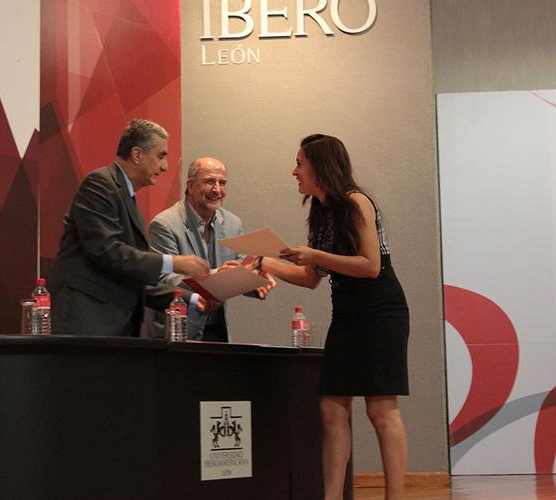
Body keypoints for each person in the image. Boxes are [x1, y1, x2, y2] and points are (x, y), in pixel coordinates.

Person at [260, 134, 409, 500]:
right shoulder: (321, 213)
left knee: (381, 408)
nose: (294, 171)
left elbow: (371, 266)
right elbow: (311, 278)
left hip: (380, 311)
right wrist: (265, 263)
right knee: (331, 407)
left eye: (300, 163)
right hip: (346, 315)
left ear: (320, 166)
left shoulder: (355, 202)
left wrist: (315, 255)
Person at [47, 119, 210, 337]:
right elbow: (108, 251)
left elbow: (132, 274)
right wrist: (174, 263)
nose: (165, 166)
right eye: (160, 156)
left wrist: (192, 298)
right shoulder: (99, 184)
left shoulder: (126, 197)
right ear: (137, 155)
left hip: (111, 327)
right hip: (87, 324)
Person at [143, 157, 275, 341]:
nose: (217, 190)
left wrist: (255, 282)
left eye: (222, 183)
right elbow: (163, 278)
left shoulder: (233, 223)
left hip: (216, 329)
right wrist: (216, 275)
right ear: (190, 186)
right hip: (177, 331)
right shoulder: (164, 224)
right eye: (210, 182)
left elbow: (238, 269)